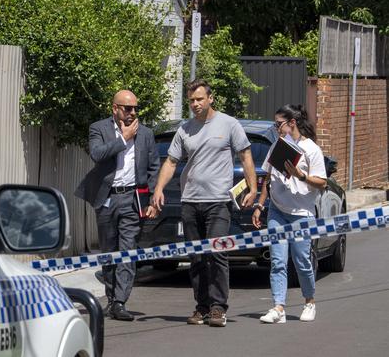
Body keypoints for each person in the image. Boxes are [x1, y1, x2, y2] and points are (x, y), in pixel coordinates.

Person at [151, 79, 257, 327]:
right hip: (190, 201)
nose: (195, 104)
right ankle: (202, 306)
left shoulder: (229, 124)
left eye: (199, 99)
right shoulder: (185, 129)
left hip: (219, 201)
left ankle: (218, 307)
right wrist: (158, 189)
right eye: (191, 100)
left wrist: (252, 187)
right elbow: (171, 162)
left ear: (210, 98)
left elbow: (246, 155)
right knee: (196, 257)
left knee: (217, 254)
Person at [75, 90, 160, 321]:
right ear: (115, 108)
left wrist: (153, 198)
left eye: (135, 108)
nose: (132, 113)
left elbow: (154, 166)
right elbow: (97, 154)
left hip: (132, 199)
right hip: (107, 198)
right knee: (108, 251)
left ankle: (121, 301)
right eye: (127, 108)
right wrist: (123, 139)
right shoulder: (99, 129)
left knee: (127, 250)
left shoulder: (146, 134)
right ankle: (111, 299)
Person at [253, 104, 326, 324]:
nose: (276, 128)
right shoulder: (277, 145)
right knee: (277, 261)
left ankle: (309, 301)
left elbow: (321, 183)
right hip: (277, 211)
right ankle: (278, 307)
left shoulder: (311, 149)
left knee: (302, 260)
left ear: (292, 123)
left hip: (301, 213)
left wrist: (300, 175)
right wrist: (260, 205)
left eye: (279, 124)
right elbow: (268, 178)